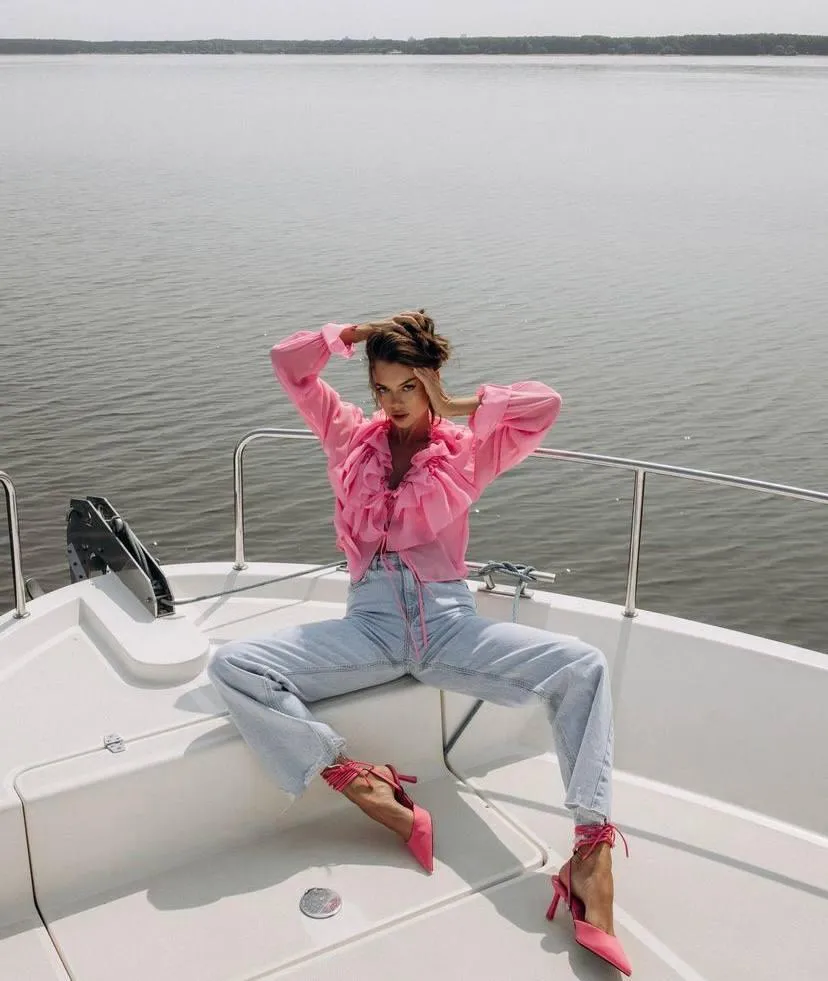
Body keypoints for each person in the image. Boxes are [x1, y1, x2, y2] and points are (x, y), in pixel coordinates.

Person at [208, 310, 631, 975]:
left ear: (429, 382)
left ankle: (591, 854)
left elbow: (546, 405)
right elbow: (288, 363)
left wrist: (456, 401)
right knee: (234, 664)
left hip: (449, 626)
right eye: (384, 388)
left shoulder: (468, 447)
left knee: (584, 666)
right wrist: (361, 329)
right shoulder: (350, 438)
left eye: (410, 387)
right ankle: (363, 784)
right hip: (368, 628)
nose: (396, 403)